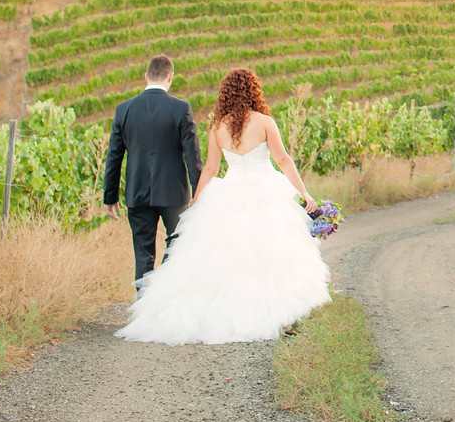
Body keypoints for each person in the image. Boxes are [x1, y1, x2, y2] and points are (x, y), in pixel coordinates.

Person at [115, 67, 331, 344]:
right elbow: (283, 160)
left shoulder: (218, 128)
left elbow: (210, 169)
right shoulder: (265, 123)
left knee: (227, 256)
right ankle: (276, 312)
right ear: (254, 91)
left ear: (225, 94)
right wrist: (305, 193)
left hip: (230, 193)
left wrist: (197, 199)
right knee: (272, 253)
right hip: (265, 191)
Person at [102, 55, 201, 285]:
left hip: (137, 192)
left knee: (143, 255)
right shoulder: (181, 109)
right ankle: (164, 293)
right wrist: (199, 193)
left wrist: (110, 197)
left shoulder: (124, 110)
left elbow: (114, 156)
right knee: (177, 248)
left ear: (146, 76)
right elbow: (192, 157)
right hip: (173, 194)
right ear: (170, 77)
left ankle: (145, 301)